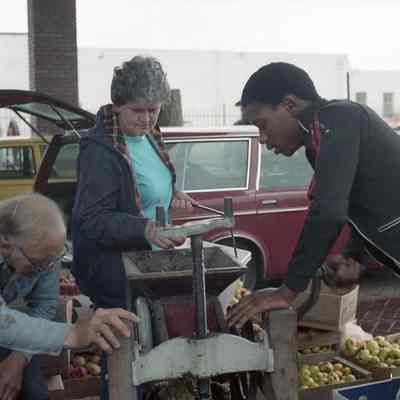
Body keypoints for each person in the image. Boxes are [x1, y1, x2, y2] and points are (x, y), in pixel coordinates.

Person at [227, 62, 400, 328]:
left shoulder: (339, 118)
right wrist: (352, 255)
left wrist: (287, 291)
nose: (262, 138)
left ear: (289, 105)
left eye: (262, 124)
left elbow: (327, 211)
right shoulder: (318, 141)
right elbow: (362, 201)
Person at [72, 55, 192, 400]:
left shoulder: (151, 136)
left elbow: (150, 186)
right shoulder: (100, 150)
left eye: (154, 109)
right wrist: (146, 229)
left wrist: (174, 194)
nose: (147, 118)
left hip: (147, 268)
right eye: (138, 110)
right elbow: (91, 220)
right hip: (116, 276)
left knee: (149, 362)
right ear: (117, 104)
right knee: (124, 368)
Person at [0, 193, 138, 400]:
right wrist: (74, 333)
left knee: (34, 392)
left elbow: (44, 305)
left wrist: (18, 360)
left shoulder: (44, 252)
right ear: (5, 245)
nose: (48, 268)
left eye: (53, 260)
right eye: (38, 264)